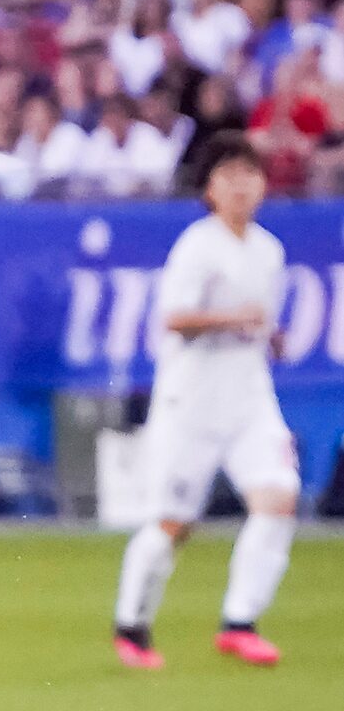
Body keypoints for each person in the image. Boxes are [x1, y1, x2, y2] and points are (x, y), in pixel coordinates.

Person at [112, 138, 298, 669]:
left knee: (278, 500)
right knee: (172, 524)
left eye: (250, 173)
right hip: (190, 403)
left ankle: (240, 622)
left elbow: (261, 322)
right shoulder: (197, 245)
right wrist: (231, 318)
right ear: (210, 188)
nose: (242, 184)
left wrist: (270, 336)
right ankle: (132, 626)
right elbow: (173, 318)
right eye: (230, 174)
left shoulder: (269, 251)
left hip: (249, 399)